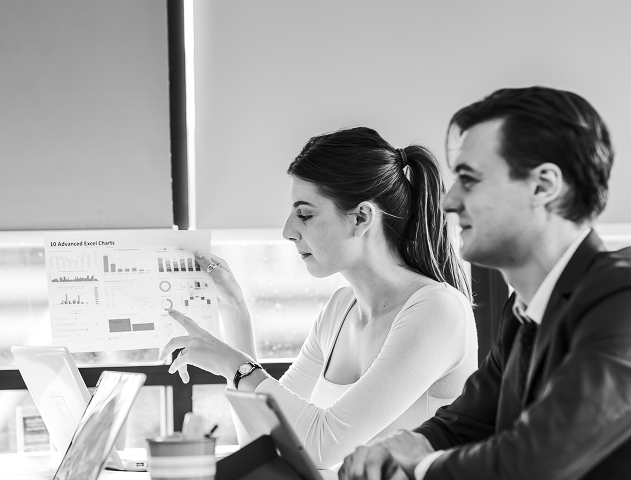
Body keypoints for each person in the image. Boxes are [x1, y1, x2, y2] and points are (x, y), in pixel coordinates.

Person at [339, 86, 631, 480]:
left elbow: (534, 463)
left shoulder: (621, 300)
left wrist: (420, 466)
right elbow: (466, 423)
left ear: (543, 186)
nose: (448, 202)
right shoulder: (524, 311)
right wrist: (397, 449)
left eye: (470, 179)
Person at [162, 127, 478, 468]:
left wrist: (233, 364)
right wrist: (235, 312)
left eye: (305, 214)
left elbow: (324, 446)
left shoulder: (436, 310)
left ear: (361, 218)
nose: (287, 231)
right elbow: (266, 441)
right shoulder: (340, 310)